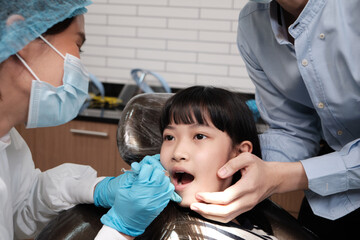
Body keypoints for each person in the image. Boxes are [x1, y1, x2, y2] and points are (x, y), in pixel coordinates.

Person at [0, 1, 175, 239]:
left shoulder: (10, 143)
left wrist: (95, 189)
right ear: (23, 38)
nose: (80, 66)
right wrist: (120, 229)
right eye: (77, 46)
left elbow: (20, 207)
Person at [189, 0, 360, 238]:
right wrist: (226, 165)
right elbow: (293, 131)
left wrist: (277, 177)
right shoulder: (253, 22)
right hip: (336, 198)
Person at [135, 86, 278, 239]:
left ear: (241, 154)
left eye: (199, 136)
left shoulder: (255, 225)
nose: (177, 154)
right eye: (169, 137)